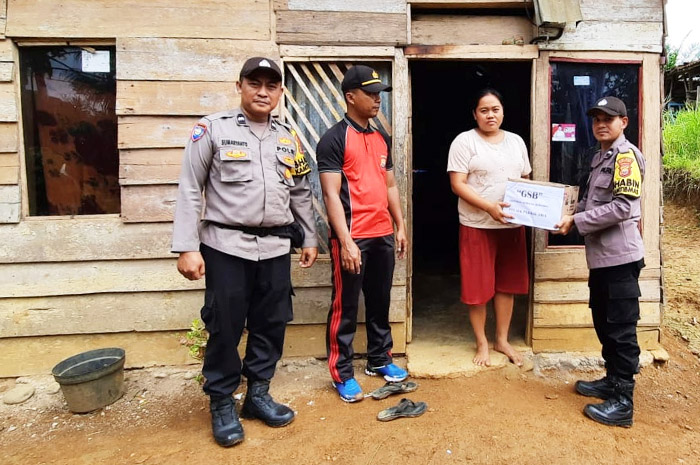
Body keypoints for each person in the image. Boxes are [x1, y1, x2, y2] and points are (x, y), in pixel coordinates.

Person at [171, 56, 318, 447]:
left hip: (275, 246)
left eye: (271, 86)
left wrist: (311, 237)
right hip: (225, 246)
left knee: (272, 321)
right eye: (255, 83)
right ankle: (221, 401)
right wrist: (186, 247)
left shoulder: (289, 136)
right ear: (240, 86)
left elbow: (301, 192)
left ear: (280, 92)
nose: (263, 92)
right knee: (225, 324)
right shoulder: (212, 129)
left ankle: (257, 395)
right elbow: (189, 188)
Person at [317, 65, 408, 403]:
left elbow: (390, 185)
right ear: (350, 96)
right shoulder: (333, 139)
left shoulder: (380, 137)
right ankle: (341, 373)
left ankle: (379, 359)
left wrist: (400, 225)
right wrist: (345, 242)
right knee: (345, 306)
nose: (376, 99)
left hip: (382, 233)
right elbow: (330, 195)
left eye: (378, 94)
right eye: (370, 93)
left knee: (380, 301)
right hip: (353, 237)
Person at [554, 96, 645, 427]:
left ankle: (623, 401)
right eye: (596, 119)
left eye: (609, 118)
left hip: (620, 259)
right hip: (603, 260)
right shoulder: (600, 158)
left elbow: (623, 208)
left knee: (621, 330)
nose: (601, 124)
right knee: (604, 323)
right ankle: (611, 381)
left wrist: (576, 222)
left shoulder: (625, 158)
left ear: (624, 122)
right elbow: (594, 203)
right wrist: (565, 212)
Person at [447, 88, 531, 367]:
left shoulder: (517, 142)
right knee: (477, 287)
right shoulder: (464, 142)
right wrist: (489, 208)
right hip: (476, 225)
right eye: (484, 110)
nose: (490, 115)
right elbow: (457, 184)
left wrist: (540, 210)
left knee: (506, 285)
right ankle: (482, 342)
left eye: (495, 109)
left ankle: (502, 340)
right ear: (475, 114)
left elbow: (526, 181)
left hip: (511, 226)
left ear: (503, 111)